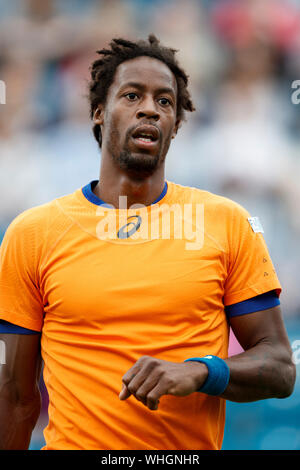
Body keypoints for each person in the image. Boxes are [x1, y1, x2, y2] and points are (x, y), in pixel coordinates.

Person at [0, 35, 296, 451]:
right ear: (99, 113)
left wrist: (200, 371)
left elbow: (281, 368)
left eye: (164, 101)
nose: (149, 109)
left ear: (176, 125)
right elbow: (13, 394)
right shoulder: (32, 233)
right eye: (132, 95)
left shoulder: (227, 223)